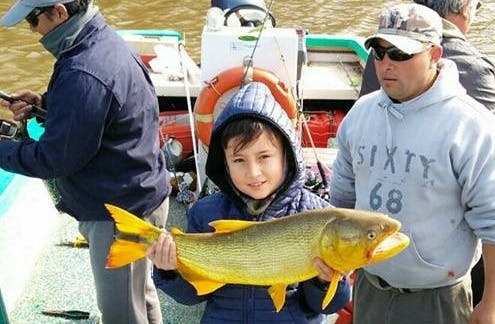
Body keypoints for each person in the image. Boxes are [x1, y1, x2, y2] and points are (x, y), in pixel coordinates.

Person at [330, 3, 495, 323]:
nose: (386, 65)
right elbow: (342, 200)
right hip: (369, 290)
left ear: (436, 54)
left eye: (400, 54)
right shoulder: (360, 116)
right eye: (379, 52)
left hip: (438, 300)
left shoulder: (473, 127)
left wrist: (492, 303)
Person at [0, 1, 170, 323]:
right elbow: (97, 108)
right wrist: (46, 103)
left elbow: (54, 159)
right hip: (144, 194)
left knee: (121, 313)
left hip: (119, 215)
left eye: (33, 20)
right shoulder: (102, 41)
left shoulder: (83, 71)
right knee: (139, 293)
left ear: (60, 12)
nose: (33, 30)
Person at [147, 81, 351, 323]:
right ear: (224, 163)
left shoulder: (318, 215)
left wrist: (326, 281)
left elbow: (326, 307)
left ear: (287, 153)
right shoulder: (206, 212)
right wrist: (170, 271)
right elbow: (192, 295)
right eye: (239, 160)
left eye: (264, 157)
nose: (253, 173)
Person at [360, 0, 495, 144]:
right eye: (384, 54)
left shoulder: (381, 48)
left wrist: (492, 76)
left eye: (400, 55)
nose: (387, 64)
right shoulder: (472, 65)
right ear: (465, 8)